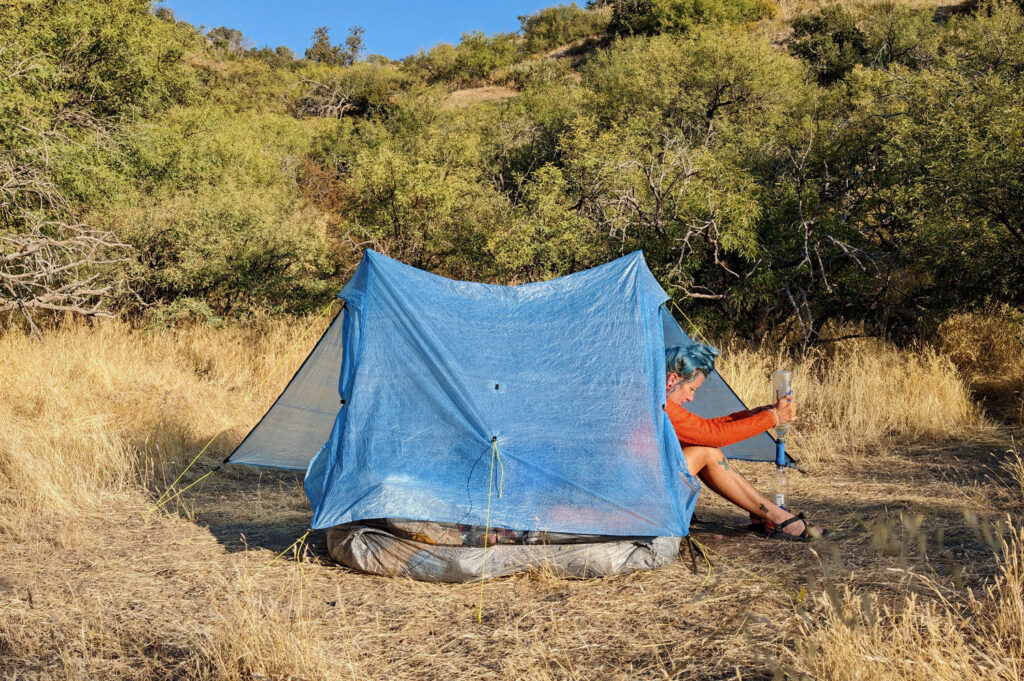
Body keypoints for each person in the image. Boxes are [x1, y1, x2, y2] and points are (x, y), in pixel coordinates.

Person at [665, 343, 827, 541]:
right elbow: (713, 434)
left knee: (702, 448)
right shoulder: (662, 406)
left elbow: (707, 426)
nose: (691, 398)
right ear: (672, 379)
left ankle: (765, 513)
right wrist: (773, 417)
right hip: (647, 495)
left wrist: (759, 413)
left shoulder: (655, 399)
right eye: (691, 389)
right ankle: (778, 518)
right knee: (706, 452)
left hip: (649, 486)